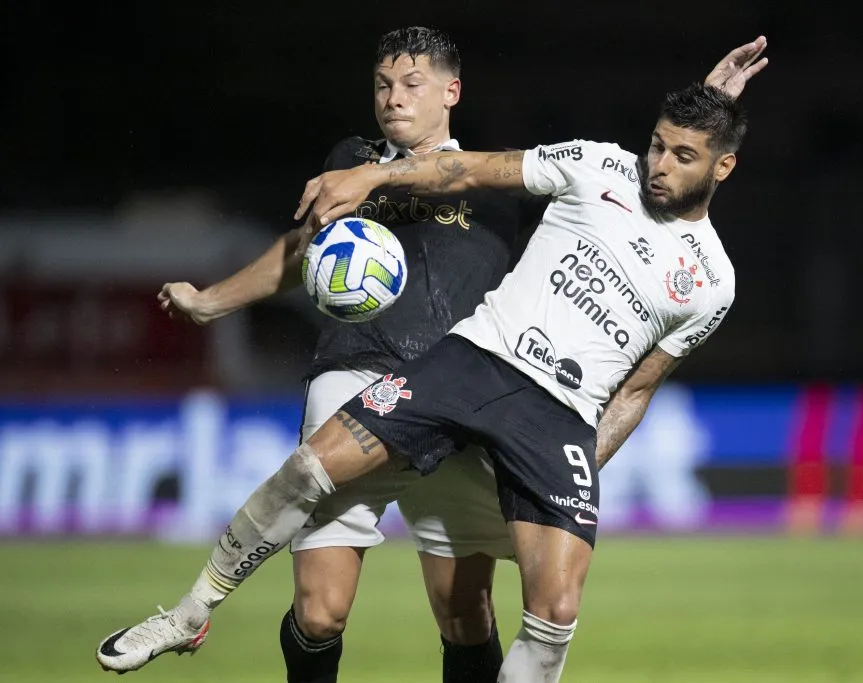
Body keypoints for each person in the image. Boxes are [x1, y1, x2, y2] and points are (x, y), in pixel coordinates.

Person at [97, 36, 767, 682]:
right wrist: (370, 173)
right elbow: (466, 169)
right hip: (473, 361)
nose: (659, 164)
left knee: (548, 610)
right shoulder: (599, 165)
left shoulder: (713, 282)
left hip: (558, 417)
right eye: (657, 145)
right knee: (310, 472)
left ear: (723, 168)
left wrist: (579, 467)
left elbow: (636, 391)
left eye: (683, 156)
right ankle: (188, 614)